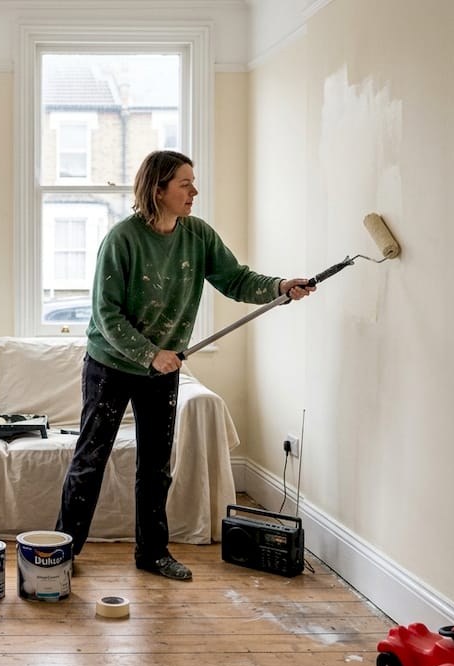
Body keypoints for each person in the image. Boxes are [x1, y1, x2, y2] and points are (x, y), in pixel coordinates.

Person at [55, 150, 315, 581]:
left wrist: (280, 286)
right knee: (90, 459)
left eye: (193, 183)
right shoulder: (122, 240)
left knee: (156, 466)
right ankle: (63, 551)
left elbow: (236, 279)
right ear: (158, 189)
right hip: (111, 365)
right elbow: (106, 314)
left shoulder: (197, 236)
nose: (194, 191)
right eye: (184, 184)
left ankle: (152, 553)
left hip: (163, 369)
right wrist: (149, 353)